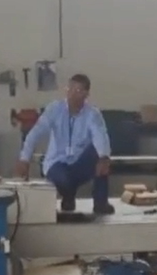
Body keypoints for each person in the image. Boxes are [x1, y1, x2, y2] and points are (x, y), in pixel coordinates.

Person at [14, 74, 115, 215]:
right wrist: (24, 158)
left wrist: (103, 158)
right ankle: (68, 196)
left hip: (79, 165)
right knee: (64, 180)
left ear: (86, 94)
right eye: (70, 89)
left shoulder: (93, 114)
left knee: (101, 157)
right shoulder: (54, 109)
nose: (72, 94)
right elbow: (36, 133)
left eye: (78, 91)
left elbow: (100, 136)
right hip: (57, 163)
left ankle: (100, 203)